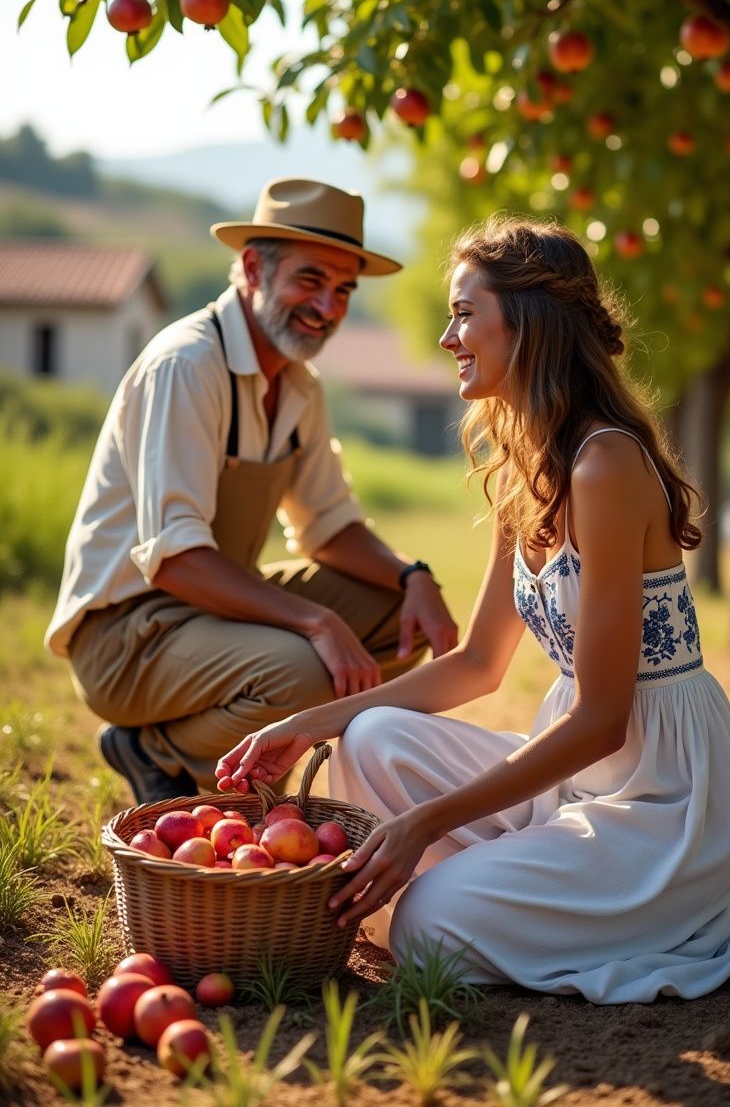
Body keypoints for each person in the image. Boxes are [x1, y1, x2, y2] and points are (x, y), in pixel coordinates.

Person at [216, 213, 730, 1004]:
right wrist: (313, 722)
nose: (448, 337)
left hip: (659, 794)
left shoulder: (605, 465)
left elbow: (604, 721)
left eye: (463, 313)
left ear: (529, 324)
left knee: (423, 927)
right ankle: (534, 889)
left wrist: (425, 822)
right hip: (576, 776)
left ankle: (696, 893)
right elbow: (477, 663)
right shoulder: (523, 468)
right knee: (368, 739)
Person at [45, 178, 458, 804]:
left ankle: (207, 755)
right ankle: (161, 752)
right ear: (252, 269)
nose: (327, 307)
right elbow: (175, 558)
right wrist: (316, 621)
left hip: (213, 616)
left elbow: (327, 525)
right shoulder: (187, 365)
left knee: (400, 613)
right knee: (301, 671)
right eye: (309, 279)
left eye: (343, 290)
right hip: (128, 637)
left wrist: (413, 577)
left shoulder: (300, 386)